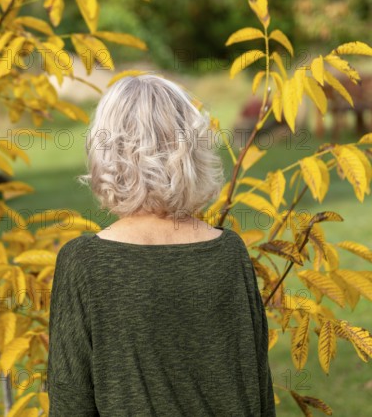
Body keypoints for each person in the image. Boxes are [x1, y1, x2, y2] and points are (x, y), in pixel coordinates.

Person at [47, 74, 276, 416]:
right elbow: (258, 391)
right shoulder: (229, 252)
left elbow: (70, 403)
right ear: (193, 148)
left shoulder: (84, 263)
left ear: (105, 151)